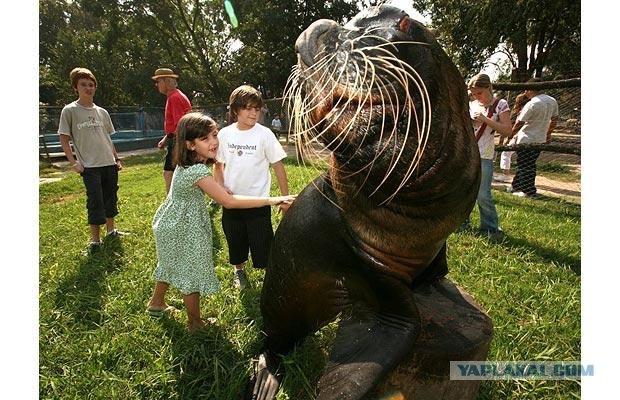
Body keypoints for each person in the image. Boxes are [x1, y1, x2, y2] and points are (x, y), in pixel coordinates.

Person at [146, 112, 295, 332]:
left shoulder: (189, 163)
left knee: (169, 262)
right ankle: (195, 323)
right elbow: (229, 202)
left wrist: (218, 178)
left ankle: (156, 303)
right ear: (190, 144)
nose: (214, 142)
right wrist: (274, 199)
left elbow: (212, 184)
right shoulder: (195, 170)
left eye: (214, 135)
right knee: (191, 272)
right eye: (205, 139)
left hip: (171, 222)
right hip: (183, 227)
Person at [214, 85, 291, 289]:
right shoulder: (224, 134)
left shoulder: (264, 134)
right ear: (235, 110)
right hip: (233, 203)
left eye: (257, 109)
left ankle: (270, 275)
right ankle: (239, 270)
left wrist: (285, 198)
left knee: (263, 242)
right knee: (235, 239)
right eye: (248, 108)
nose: (253, 113)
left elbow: (278, 166)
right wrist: (220, 188)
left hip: (258, 201)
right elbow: (218, 165)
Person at [58, 67, 125, 255]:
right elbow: (64, 138)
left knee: (111, 196)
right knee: (95, 200)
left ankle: (111, 231)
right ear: (75, 87)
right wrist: (73, 162)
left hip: (108, 163)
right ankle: (95, 241)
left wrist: (116, 158)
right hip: (89, 166)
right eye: (83, 85)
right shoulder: (70, 111)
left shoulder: (102, 112)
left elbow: (107, 138)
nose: (88, 88)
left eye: (91, 85)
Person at [461, 73, 512, 240]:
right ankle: (462, 223)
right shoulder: (473, 105)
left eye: (479, 93)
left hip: (485, 154)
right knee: (464, 190)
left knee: (483, 194)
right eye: (474, 94)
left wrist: (484, 119)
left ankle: (490, 228)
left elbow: (507, 130)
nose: (477, 97)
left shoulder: (500, 105)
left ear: (488, 88)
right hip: (468, 153)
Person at [509, 78, 559, 198]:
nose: (525, 92)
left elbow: (519, 122)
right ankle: (516, 186)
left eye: (526, 89)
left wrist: (510, 134)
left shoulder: (532, 103)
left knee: (525, 165)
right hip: (540, 138)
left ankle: (528, 191)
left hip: (526, 138)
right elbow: (555, 119)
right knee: (526, 163)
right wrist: (548, 133)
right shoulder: (552, 101)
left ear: (531, 89)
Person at [152, 68, 192, 194]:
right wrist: (166, 138)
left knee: (168, 172)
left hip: (178, 139)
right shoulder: (175, 96)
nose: (156, 85)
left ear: (166, 81)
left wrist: (174, 141)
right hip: (176, 137)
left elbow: (180, 124)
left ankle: (171, 200)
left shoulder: (174, 98)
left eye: (158, 81)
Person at [497, 92, 530, 182]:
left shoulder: (521, 110)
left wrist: (510, 137)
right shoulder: (529, 107)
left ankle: (506, 174)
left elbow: (517, 124)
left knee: (506, 152)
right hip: (524, 135)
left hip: (518, 135)